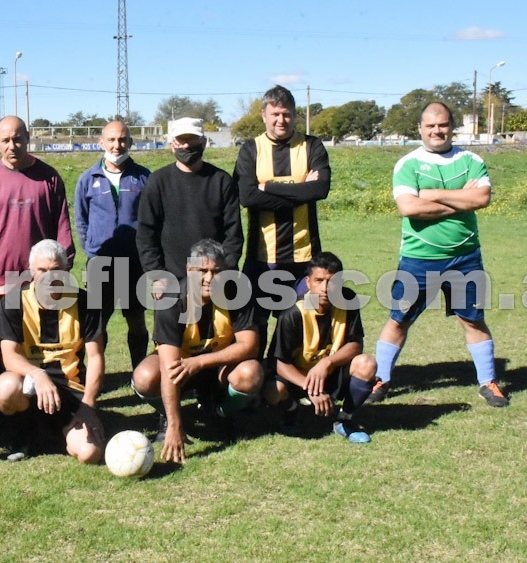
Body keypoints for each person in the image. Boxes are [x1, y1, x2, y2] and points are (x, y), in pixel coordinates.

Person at [369, 102, 509, 408]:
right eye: (430, 126)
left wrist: (431, 195)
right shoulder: (408, 164)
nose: (437, 131)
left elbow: (482, 197)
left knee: (473, 321)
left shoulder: (471, 160)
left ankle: (488, 382)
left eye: (443, 125)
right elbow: (409, 207)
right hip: (418, 258)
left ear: (452, 126)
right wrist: (461, 200)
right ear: (420, 128)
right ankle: (380, 379)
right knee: (399, 319)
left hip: (465, 258)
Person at [0, 116, 76, 419]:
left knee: (31, 349)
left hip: (36, 287)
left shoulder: (49, 178)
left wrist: (53, 277)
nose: (12, 146)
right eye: (5, 140)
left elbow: (63, 235)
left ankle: (36, 407)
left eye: (17, 139)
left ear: (28, 138)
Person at [132, 239, 263, 464]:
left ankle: (221, 412)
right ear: (189, 270)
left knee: (251, 372)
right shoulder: (171, 300)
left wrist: (200, 362)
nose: (209, 279)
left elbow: (250, 345)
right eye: (202, 270)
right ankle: (169, 416)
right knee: (145, 377)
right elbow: (169, 367)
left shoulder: (236, 293)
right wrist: (175, 426)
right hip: (180, 369)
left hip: (218, 367)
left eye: (216, 271)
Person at [232, 85, 331, 358]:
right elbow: (247, 197)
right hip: (262, 258)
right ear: (264, 115)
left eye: (286, 114)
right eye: (275, 114)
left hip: (304, 256)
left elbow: (319, 190)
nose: (281, 120)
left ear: (295, 115)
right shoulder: (251, 149)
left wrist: (268, 186)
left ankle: (285, 377)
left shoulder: (312, 146)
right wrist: (300, 191)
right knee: (255, 324)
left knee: (300, 322)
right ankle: (256, 379)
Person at [0, 239, 105, 464]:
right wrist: (38, 374)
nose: (49, 277)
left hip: (70, 391)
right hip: (28, 388)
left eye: (55, 270)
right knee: (5, 388)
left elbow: (96, 358)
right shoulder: (14, 302)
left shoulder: (85, 303)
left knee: (90, 454)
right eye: (42, 270)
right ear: (32, 272)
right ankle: (23, 435)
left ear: (65, 270)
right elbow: (9, 356)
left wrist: (89, 405)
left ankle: (58, 432)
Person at [264, 251, 377, 443]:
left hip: (331, 374)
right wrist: (312, 389)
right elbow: (279, 362)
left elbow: (355, 344)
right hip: (299, 379)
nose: (325, 288)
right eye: (319, 280)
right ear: (308, 283)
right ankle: (291, 411)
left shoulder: (348, 300)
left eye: (331, 281)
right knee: (273, 390)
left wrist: (327, 363)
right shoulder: (292, 313)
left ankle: (344, 421)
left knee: (367, 364)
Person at [136, 117, 243, 300]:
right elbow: (146, 234)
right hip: (171, 282)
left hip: (214, 280)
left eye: (192, 140)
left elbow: (233, 234)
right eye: (181, 140)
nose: (186, 146)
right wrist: (157, 275)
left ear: (203, 143)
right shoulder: (158, 182)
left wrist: (223, 272)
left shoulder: (221, 181)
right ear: (172, 145)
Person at [74, 120, 150, 368]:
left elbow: (151, 220)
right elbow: (82, 221)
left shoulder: (144, 177)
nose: (117, 146)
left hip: (135, 263)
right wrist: (93, 250)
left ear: (130, 142)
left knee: (136, 320)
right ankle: (97, 374)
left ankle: (139, 372)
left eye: (122, 140)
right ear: (101, 142)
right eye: (111, 140)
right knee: (97, 323)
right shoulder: (87, 179)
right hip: (101, 263)